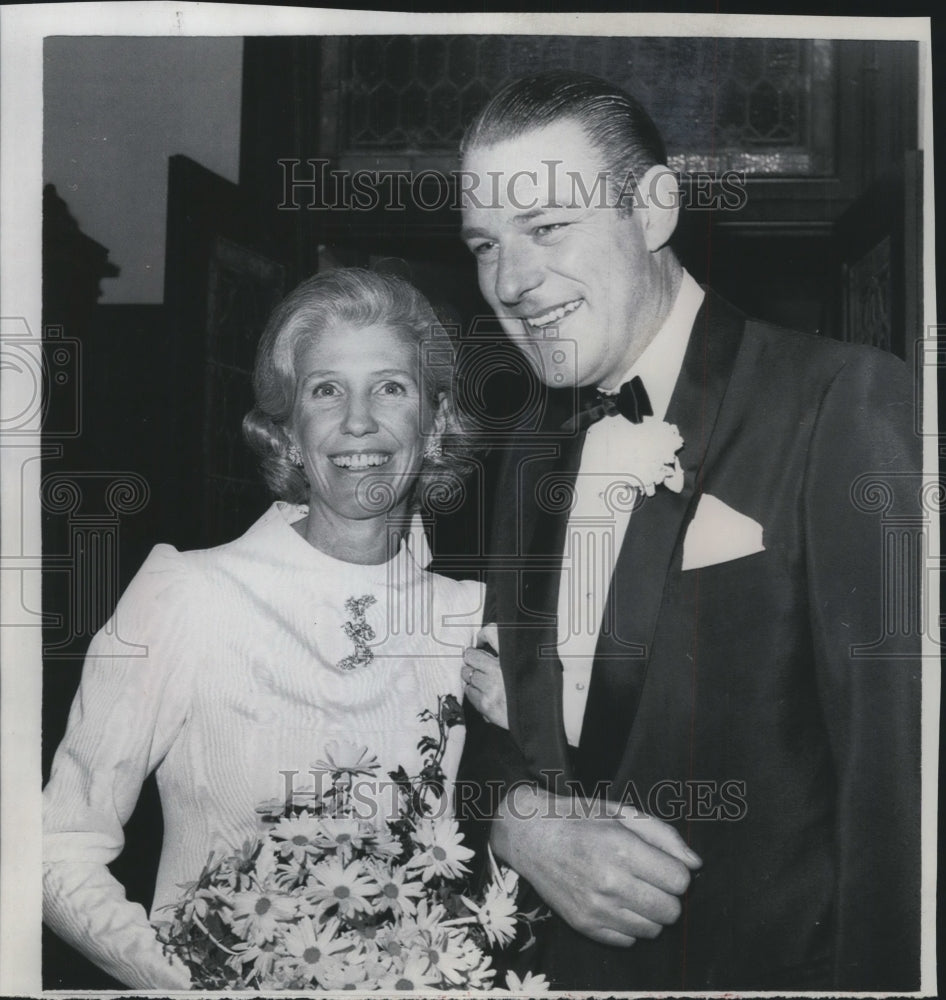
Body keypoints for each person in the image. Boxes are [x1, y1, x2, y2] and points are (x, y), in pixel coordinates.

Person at [456, 71, 921, 991]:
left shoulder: (843, 399)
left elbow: (897, 788)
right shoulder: (529, 449)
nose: (510, 282)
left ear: (656, 209)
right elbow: (493, 708)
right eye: (484, 244)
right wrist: (516, 816)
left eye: (547, 227)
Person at [42, 268, 496, 988]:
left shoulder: (474, 621)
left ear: (435, 419)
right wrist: (190, 983)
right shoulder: (189, 595)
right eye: (325, 390)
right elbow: (54, 849)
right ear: (287, 427)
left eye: (390, 387)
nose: (358, 421)